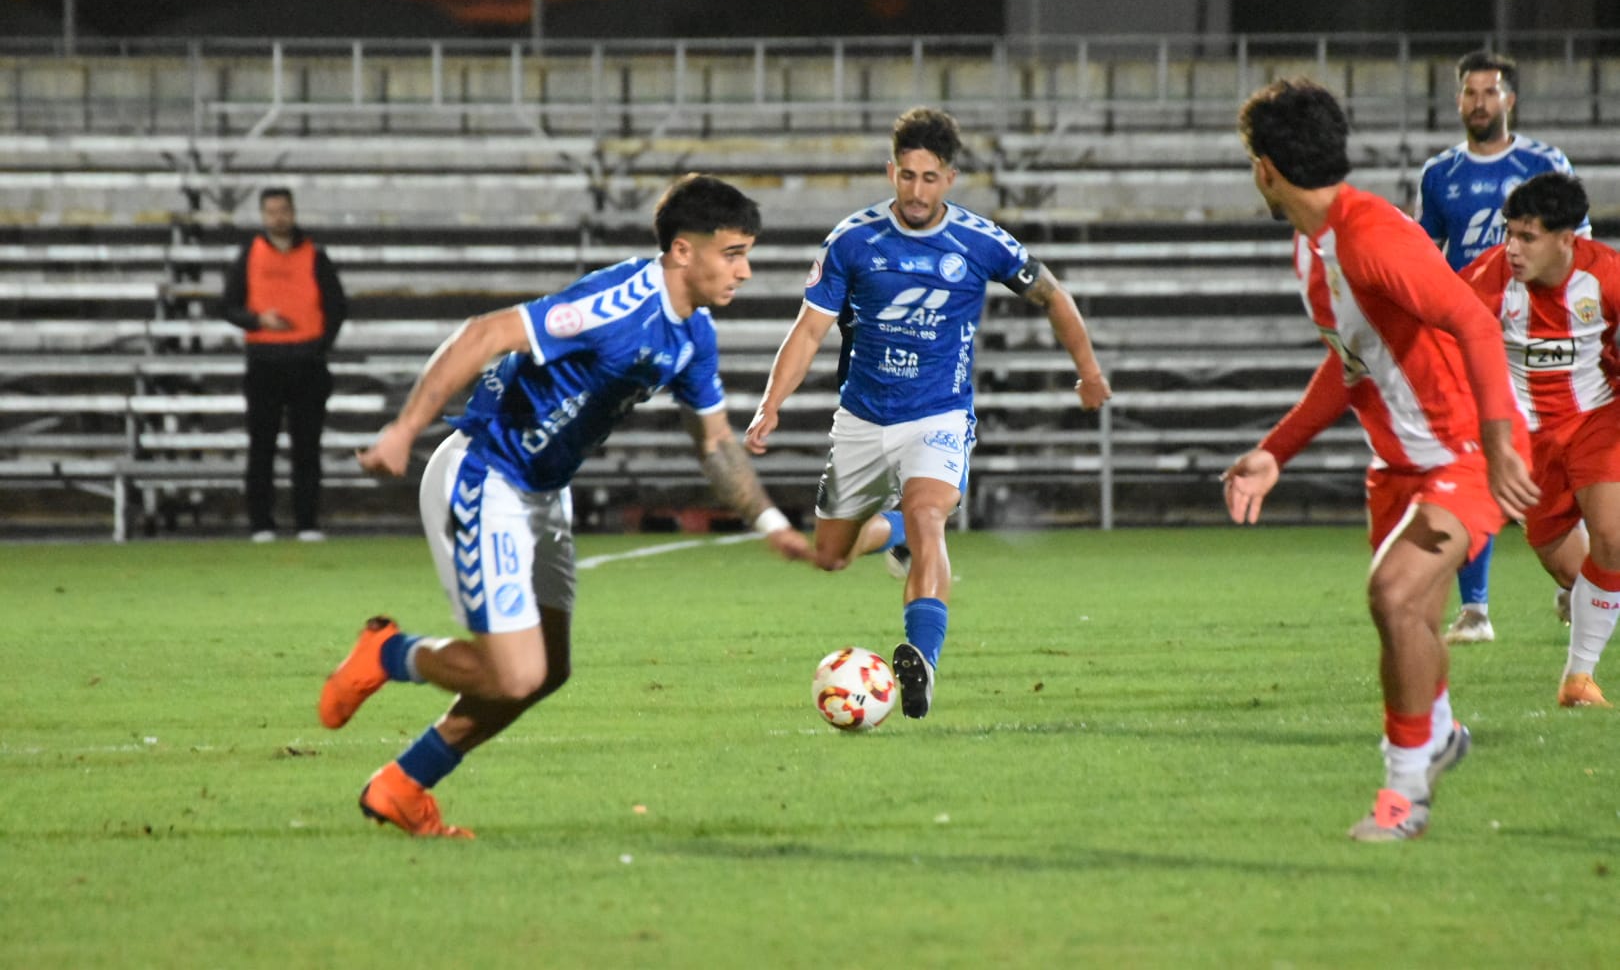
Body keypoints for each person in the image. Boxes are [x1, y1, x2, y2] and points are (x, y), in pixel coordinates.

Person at [319, 174, 811, 838]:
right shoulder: (618, 303)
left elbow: (716, 441)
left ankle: (403, 784)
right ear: (683, 252)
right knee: (515, 673)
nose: (746, 270)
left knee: (548, 671)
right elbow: (486, 333)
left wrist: (771, 523)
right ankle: (388, 653)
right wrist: (404, 431)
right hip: (486, 472)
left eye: (748, 252)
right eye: (734, 253)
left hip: (544, 494)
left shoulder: (693, 334)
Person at [1224, 79, 1538, 842]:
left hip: (1463, 448)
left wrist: (1497, 439)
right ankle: (1438, 736)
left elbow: (1473, 321)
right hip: (1399, 463)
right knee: (1414, 620)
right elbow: (1351, 362)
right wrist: (1276, 452)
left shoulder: (1368, 235)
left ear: (1265, 169)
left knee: (1393, 598)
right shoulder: (1317, 244)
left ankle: (1403, 801)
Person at [743, 107, 1112, 719]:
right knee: (832, 553)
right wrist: (769, 406)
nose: (916, 191)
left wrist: (1090, 372)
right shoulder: (853, 240)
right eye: (907, 175)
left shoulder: (979, 242)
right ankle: (895, 533)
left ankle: (924, 662)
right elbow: (809, 330)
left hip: (937, 414)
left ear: (951, 178)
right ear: (891, 171)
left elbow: (1054, 297)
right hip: (861, 416)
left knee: (929, 514)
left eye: (930, 177)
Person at [1415, 50, 1588, 645]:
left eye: (1490, 92)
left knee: (1560, 456)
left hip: (1538, 334)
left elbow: (1578, 250)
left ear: (1509, 100)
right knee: (1477, 459)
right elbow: (1424, 259)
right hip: (1474, 335)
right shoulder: (1439, 174)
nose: (1479, 103)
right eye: (1470, 92)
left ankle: (1579, 576)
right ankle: (1477, 608)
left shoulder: (1544, 164)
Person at [1459, 173, 1620, 708]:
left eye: (1528, 237)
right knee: (1579, 579)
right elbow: (1441, 328)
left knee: (1612, 540)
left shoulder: (1606, 278)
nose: (1513, 248)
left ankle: (1578, 680)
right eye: (1510, 234)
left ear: (1567, 239)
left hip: (1596, 421)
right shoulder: (1487, 279)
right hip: (1526, 445)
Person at [221, 187, 348, 543]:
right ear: (263, 215)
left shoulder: (315, 256)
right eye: (271, 211)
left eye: (284, 210)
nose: (278, 217)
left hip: (308, 363)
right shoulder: (249, 256)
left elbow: (337, 305)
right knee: (261, 447)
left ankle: (307, 522)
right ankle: (261, 523)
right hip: (264, 363)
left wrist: (320, 344)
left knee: (307, 447)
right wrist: (258, 320)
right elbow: (228, 306)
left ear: (293, 212)